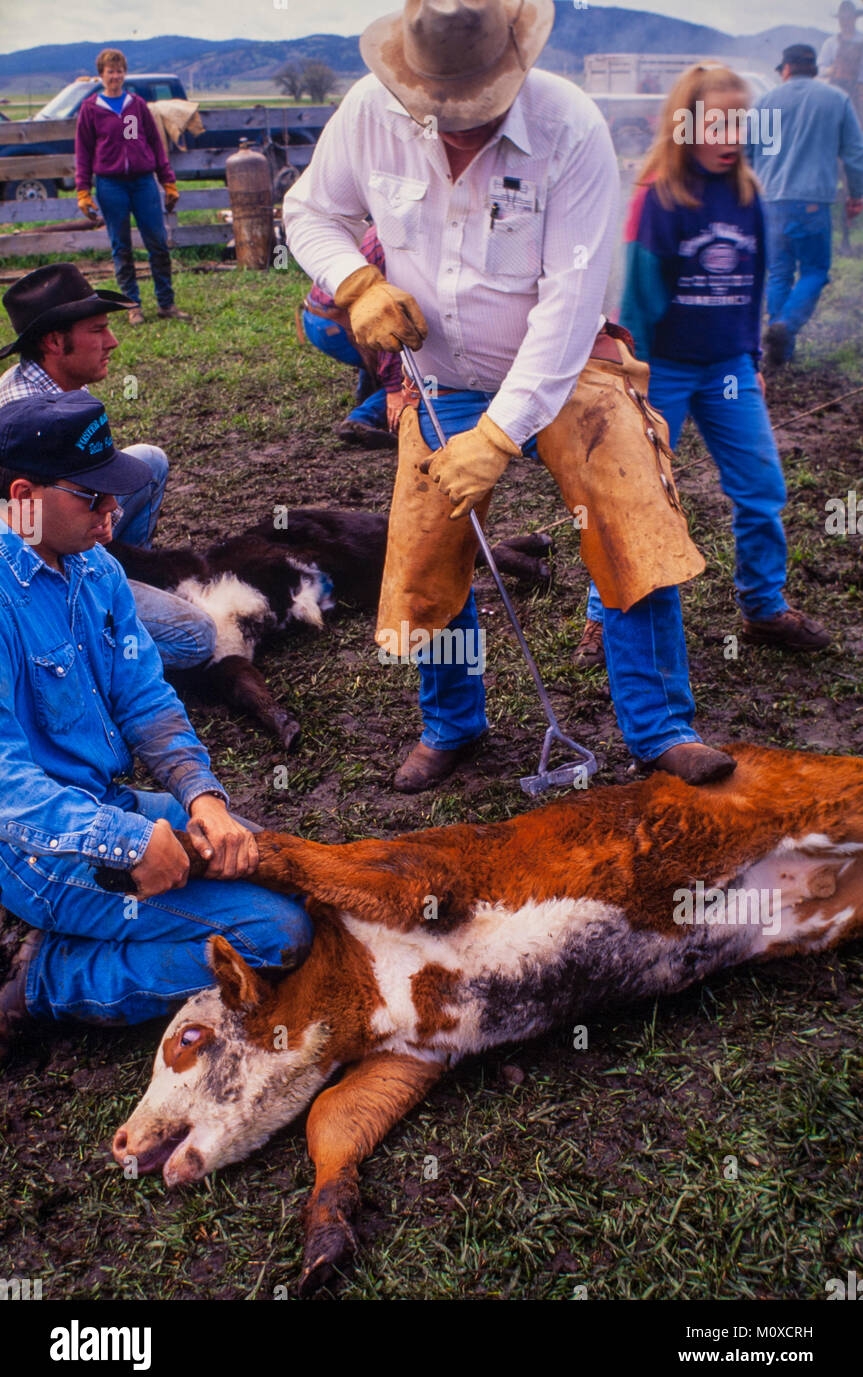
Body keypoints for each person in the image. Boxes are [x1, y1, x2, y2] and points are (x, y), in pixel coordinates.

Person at [284, 0, 736, 793]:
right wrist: (353, 280)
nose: (454, 126)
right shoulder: (367, 111)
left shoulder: (570, 126)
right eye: (438, 109)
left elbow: (569, 301)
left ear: (512, 70)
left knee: (630, 514)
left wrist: (497, 438)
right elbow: (306, 209)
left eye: (475, 110)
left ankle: (659, 727)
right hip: (445, 375)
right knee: (428, 544)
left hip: (570, 372)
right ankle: (452, 724)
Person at [0, 392, 312, 1060]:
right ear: (23, 494)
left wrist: (203, 800)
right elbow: (7, 788)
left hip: (104, 807)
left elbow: (146, 697)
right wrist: (125, 841)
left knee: (279, 868)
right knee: (277, 935)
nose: (113, 516)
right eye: (93, 498)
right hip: (26, 849)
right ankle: (46, 982)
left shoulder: (94, 568)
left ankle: (90, 928)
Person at [576, 65, 831, 672]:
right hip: (661, 368)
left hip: (728, 367)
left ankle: (763, 606)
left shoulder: (748, 195)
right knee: (636, 496)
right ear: (683, 125)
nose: (730, 135)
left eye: (740, 123)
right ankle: (600, 612)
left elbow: (755, 287)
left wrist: (749, 358)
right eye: (715, 123)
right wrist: (631, 381)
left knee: (761, 487)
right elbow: (639, 297)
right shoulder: (659, 196)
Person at [0, 263, 216, 670]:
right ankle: (86, 637)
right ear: (54, 341)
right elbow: (23, 537)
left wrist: (97, 518)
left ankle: (123, 579)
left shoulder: (55, 382)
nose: (112, 342)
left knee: (149, 461)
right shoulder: (24, 412)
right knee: (197, 636)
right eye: (98, 330)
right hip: (34, 565)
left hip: (62, 526)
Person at [747, 44, 863, 366]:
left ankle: (779, 349)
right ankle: (784, 326)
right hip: (813, 204)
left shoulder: (766, 102)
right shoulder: (836, 100)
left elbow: (749, 154)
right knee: (814, 271)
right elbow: (855, 154)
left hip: (770, 202)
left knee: (779, 272)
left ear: (786, 69)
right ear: (812, 69)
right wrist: (857, 194)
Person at [75, 47, 190, 325]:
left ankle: (166, 303)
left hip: (142, 183)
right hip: (110, 186)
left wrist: (168, 182)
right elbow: (84, 152)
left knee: (158, 242)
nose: (115, 76)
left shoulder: (136, 106)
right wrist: (83, 190)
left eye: (119, 71)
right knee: (121, 247)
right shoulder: (91, 109)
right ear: (101, 75)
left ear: (125, 73)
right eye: (110, 71)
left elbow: (155, 145)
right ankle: (132, 306)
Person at [301, 224, 408, 448]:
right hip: (338, 329)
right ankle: (363, 418)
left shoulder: (382, 225)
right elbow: (388, 322)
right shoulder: (398, 246)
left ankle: (366, 395)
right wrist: (395, 389)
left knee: (369, 323)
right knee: (420, 368)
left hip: (315, 317)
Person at [819, 3, 863, 116]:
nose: (845, 22)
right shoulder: (831, 43)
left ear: (854, 18)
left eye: (848, 18)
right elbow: (820, 69)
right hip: (835, 90)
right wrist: (829, 70)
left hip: (857, 92)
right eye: (842, 18)